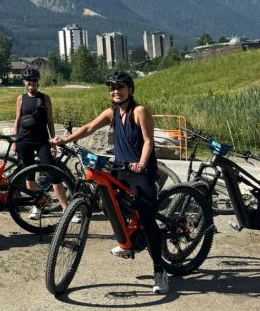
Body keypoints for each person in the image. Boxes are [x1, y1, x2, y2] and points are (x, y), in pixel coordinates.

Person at [51, 71, 168, 294]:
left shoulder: (139, 111)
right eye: (112, 88)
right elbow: (88, 128)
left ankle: (159, 270)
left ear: (130, 90)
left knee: (147, 218)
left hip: (141, 171)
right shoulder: (112, 113)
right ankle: (127, 241)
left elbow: (148, 141)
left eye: (120, 87)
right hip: (121, 168)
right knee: (106, 200)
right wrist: (65, 140)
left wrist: (142, 163)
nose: (116, 91)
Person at [14, 68, 69, 217]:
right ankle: (36, 207)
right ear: (25, 83)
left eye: (34, 80)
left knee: (53, 172)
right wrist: (15, 141)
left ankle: (66, 208)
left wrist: (52, 142)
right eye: (29, 81)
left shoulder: (45, 98)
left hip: (42, 141)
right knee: (29, 174)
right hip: (24, 141)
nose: (31, 83)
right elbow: (18, 120)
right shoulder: (21, 98)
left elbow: (50, 121)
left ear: (38, 82)